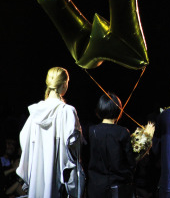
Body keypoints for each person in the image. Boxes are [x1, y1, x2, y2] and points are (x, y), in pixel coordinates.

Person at [16, 67, 84, 198]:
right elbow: (74, 143)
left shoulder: (35, 113)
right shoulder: (67, 111)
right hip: (59, 175)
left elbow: (24, 140)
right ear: (64, 84)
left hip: (37, 174)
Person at [88, 93, 136, 198]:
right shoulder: (123, 132)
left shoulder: (92, 131)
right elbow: (130, 162)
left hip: (95, 188)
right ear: (118, 110)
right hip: (118, 188)